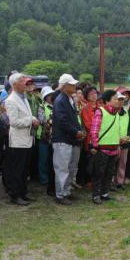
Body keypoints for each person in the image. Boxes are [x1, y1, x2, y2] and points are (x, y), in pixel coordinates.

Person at [4, 73, 39, 206]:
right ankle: (15, 195)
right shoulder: (11, 100)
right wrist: (31, 120)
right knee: (17, 169)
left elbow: (25, 116)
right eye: (21, 81)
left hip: (27, 138)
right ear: (14, 84)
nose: (25, 83)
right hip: (18, 140)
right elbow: (14, 122)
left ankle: (23, 192)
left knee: (24, 169)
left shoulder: (23, 97)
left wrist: (32, 119)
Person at [51, 74, 84, 205]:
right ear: (65, 86)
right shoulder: (60, 100)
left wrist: (77, 131)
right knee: (62, 168)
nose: (74, 86)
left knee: (70, 167)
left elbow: (72, 119)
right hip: (62, 139)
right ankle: (60, 195)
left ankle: (67, 191)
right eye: (71, 84)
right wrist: (76, 131)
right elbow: (62, 121)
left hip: (69, 138)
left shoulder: (68, 99)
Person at [89, 90, 126, 204]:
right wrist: (95, 146)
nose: (117, 101)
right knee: (99, 173)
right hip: (102, 149)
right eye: (115, 99)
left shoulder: (116, 114)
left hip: (114, 149)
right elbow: (94, 130)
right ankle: (96, 195)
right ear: (107, 101)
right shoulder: (100, 111)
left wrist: (118, 144)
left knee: (109, 172)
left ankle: (105, 193)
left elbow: (116, 131)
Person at [79, 86, 100, 186]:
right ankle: (89, 181)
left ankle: (97, 180)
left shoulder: (101, 107)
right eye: (91, 94)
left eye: (95, 93)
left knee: (99, 161)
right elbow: (88, 125)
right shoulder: (85, 109)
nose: (94, 95)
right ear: (87, 96)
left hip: (101, 138)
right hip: (90, 139)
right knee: (90, 161)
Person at [114, 88, 130, 189]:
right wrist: (117, 139)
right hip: (114, 142)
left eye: (122, 99)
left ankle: (120, 181)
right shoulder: (111, 112)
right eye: (119, 99)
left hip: (125, 141)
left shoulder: (126, 111)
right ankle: (111, 181)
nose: (121, 101)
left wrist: (128, 136)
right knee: (113, 163)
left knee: (122, 162)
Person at [36, 86, 55, 186]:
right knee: (43, 159)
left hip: (54, 137)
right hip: (44, 137)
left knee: (52, 159)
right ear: (45, 97)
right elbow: (42, 120)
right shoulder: (42, 106)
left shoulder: (56, 105)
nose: (51, 96)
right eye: (49, 95)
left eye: (52, 94)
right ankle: (43, 179)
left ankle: (51, 178)